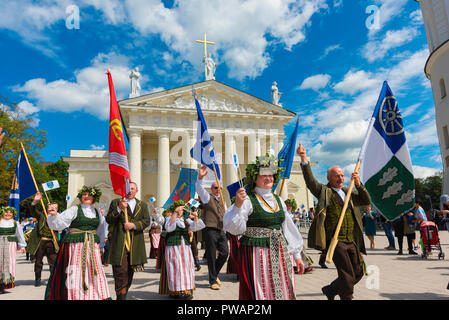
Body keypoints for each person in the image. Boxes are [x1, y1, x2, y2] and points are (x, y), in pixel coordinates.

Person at [224, 153, 304, 300]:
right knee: (260, 290)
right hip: (256, 254)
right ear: (255, 178)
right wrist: (237, 206)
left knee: (282, 287)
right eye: (264, 175)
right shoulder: (248, 200)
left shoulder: (278, 200)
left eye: (271, 175)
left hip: (279, 252)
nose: (269, 178)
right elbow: (234, 228)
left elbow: (288, 229)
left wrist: (297, 256)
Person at [298, 144, 371, 300]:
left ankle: (331, 289)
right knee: (346, 274)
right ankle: (347, 297)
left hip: (352, 240)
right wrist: (304, 158)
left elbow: (366, 200)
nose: (341, 178)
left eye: (342, 175)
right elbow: (310, 181)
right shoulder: (324, 191)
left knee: (357, 273)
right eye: (337, 176)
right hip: (335, 241)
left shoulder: (348, 191)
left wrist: (358, 183)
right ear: (329, 178)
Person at [45, 186, 110, 300]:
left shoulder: (97, 212)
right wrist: (54, 215)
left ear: (94, 197)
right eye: (84, 194)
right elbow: (59, 224)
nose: (86, 196)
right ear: (80, 197)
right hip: (76, 246)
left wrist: (100, 247)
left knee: (94, 271)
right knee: (76, 271)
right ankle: (76, 296)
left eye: (89, 194)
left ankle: (95, 296)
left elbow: (100, 230)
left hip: (92, 246)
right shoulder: (74, 209)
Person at [106, 182, 150, 300]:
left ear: (137, 190)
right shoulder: (116, 202)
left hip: (135, 243)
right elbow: (109, 219)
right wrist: (119, 209)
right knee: (120, 271)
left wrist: (133, 225)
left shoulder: (143, 205)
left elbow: (146, 221)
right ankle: (121, 297)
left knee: (130, 272)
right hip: (119, 242)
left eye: (132, 189)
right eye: (128, 188)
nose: (130, 191)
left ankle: (124, 294)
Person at [160, 200, 205, 299]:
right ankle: (176, 291)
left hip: (185, 247)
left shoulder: (185, 220)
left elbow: (196, 227)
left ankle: (186, 290)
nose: (180, 211)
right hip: (173, 247)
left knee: (187, 268)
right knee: (175, 268)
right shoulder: (169, 218)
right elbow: (169, 228)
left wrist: (196, 217)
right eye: (178, 209)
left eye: (181, 209)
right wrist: (174, 214)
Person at [195, 165, 229, 290]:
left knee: (225, 253)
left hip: (221, 230)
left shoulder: (223, 200)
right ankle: (212, 280)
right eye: (215, 188)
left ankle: (214, 274)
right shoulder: (206, 197)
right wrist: (200, 178)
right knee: (211, 255)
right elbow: (199, 188)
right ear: (211, 188)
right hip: (210, 229)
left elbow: (225, 214)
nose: (217, 190)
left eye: (219, 188)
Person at [28, 192, 60, 287]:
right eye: (51, 207)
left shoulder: (59, 217)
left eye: (55, 208)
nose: (52, 209)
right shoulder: (42, 215)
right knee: (38, 261)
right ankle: (37, 279)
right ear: (47, 207)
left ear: (57, 209)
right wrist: (35, 201)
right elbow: (33, 211)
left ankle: (52, 279)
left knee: (53, 261)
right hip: (41, 241)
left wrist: (54, 215)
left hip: (52, 241)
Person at [0, 206, 26, 294]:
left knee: (10, 262)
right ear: (2, 213)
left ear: (13, 214)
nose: (8, 214)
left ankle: (7, 282)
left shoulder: (15, 223)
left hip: (11, 244)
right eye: (6, 212)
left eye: (10, 212)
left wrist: (22, 246)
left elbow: (20, 234)